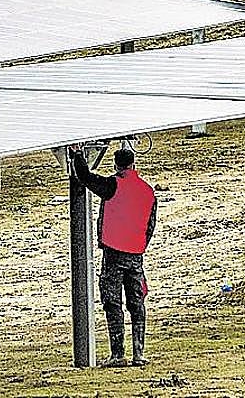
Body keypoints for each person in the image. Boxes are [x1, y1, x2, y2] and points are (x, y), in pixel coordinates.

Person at [68, 145, 157, 367]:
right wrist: (138, 246)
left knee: (112, 301)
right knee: (137, 303)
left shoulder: (112, 185)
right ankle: (139, 353)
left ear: (116, 166)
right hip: (136, 255)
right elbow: (150, 225)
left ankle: (118, 354)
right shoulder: (148, 191)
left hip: (114, 254)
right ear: (134, 164)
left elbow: (85, 177)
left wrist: (78, 154)